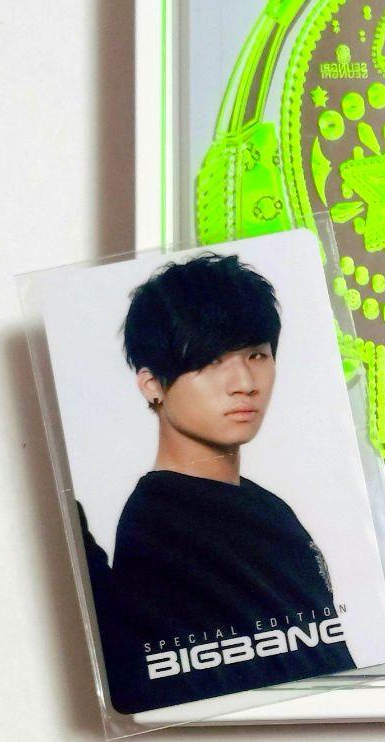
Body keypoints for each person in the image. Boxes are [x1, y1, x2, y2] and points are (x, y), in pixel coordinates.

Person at [91, 252, 355, 714]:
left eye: (257, 355)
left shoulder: (268, 508)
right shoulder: (162, 527)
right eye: (212, 360)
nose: (245, 383)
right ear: (152, 384)